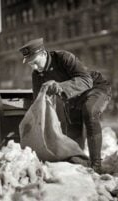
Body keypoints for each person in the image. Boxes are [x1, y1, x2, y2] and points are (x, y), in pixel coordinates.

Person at [19, 38, 111, 173]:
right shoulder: (37, 75)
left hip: (95, 88)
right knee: (72, 133)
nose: (34, 67)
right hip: (72, 98)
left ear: (44, 54)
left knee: (89, 112)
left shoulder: (64, 58)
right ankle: (81, 163)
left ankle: (96, 165)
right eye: (30, 64)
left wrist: (60, 86)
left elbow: (86, 81)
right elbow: (37, 102)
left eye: (36, 62)